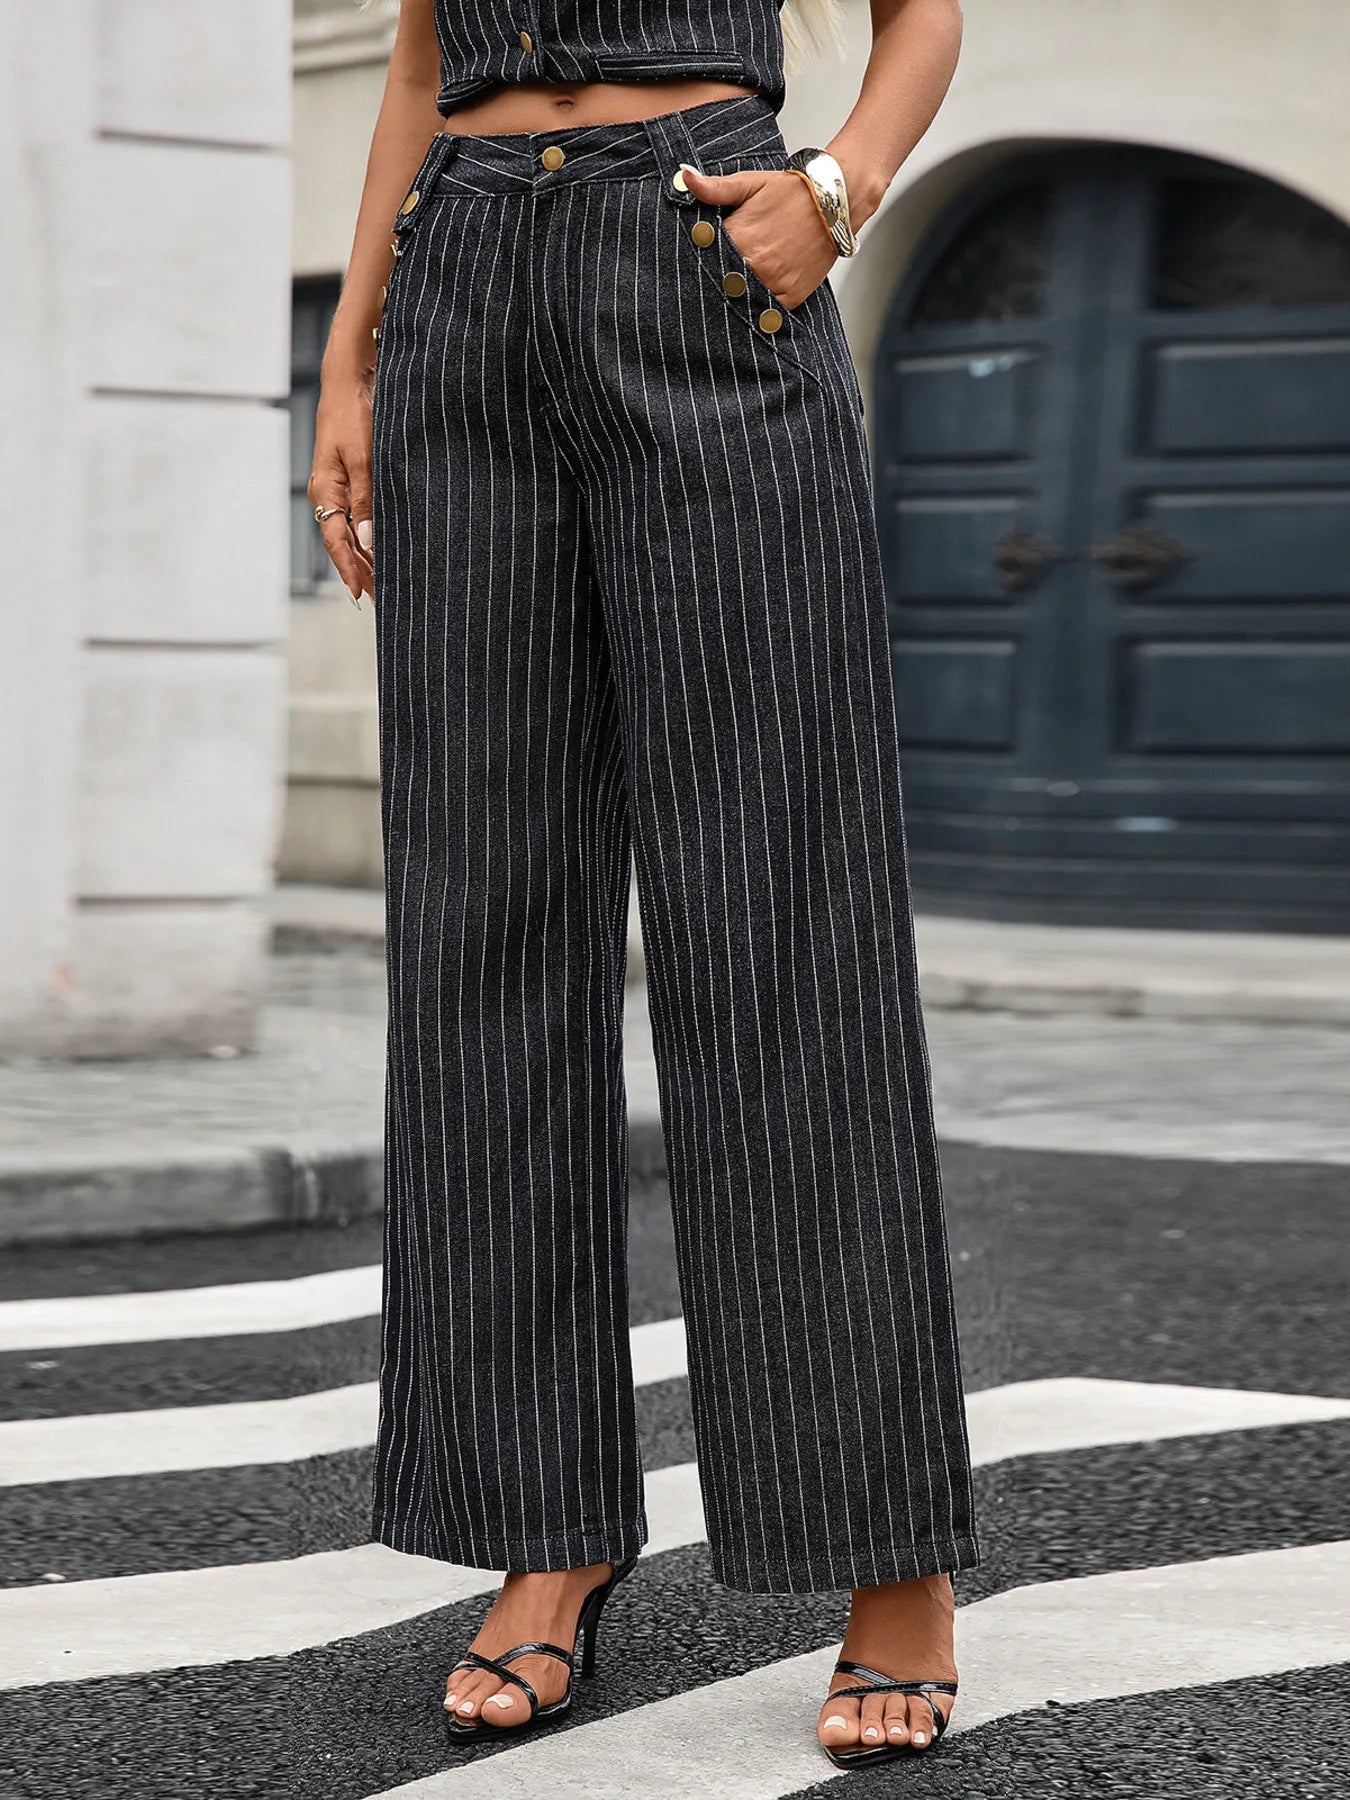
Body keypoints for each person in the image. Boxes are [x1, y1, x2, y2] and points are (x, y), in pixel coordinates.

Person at [309, 0, 975, 1769]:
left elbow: (923, 9)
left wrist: (835, 188)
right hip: (458, 278)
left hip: (698, 241)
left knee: (781, 920)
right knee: (484, 929)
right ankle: (549, 1529)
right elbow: (410, 57)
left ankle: (882, 1548)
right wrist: (355, 359)